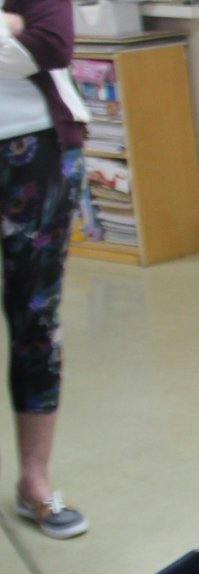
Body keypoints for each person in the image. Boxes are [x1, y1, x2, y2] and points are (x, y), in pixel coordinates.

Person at [1, 0, 89, 537]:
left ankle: (34, 481)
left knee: (35, 320)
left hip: (36, 149)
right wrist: (10, 29)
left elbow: (53, 43)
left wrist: (25, 33)